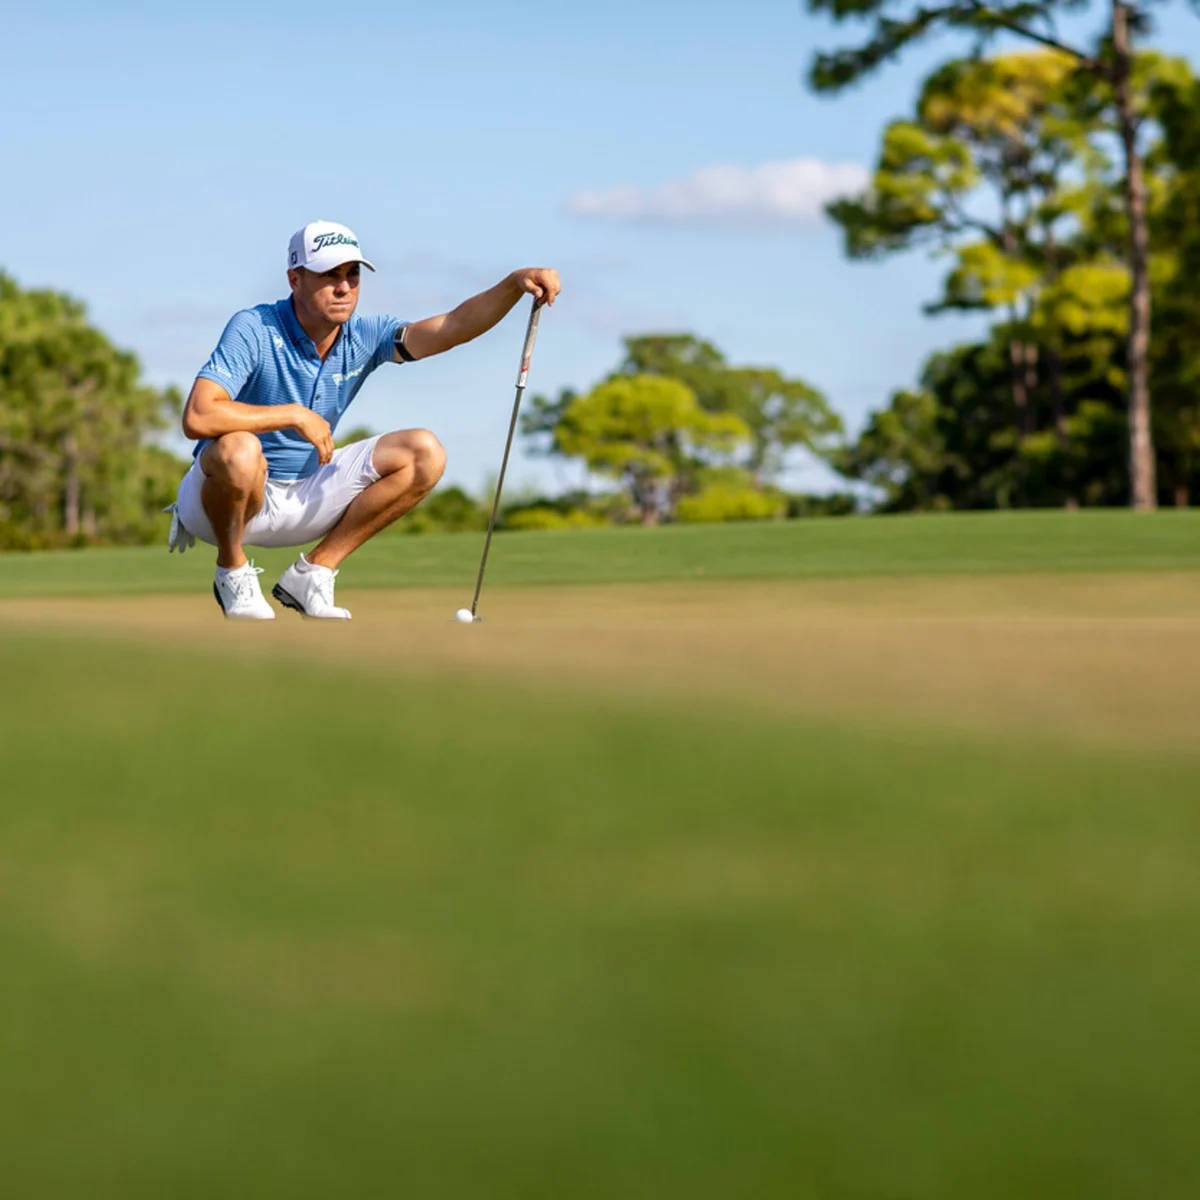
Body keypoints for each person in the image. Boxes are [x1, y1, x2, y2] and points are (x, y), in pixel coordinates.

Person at [166, 219, 561, 620]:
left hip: (306, 497)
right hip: (218, 505)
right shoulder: (254, 327)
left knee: (423, 451)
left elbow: (452, 327)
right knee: (241, 448)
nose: (344, 287)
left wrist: (513, 284)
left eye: (352, 275)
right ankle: (231, 570)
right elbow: (198, 414)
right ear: (295, 279)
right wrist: (293, 415)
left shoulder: (363, 336)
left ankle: (313, 572)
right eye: (328, 275)